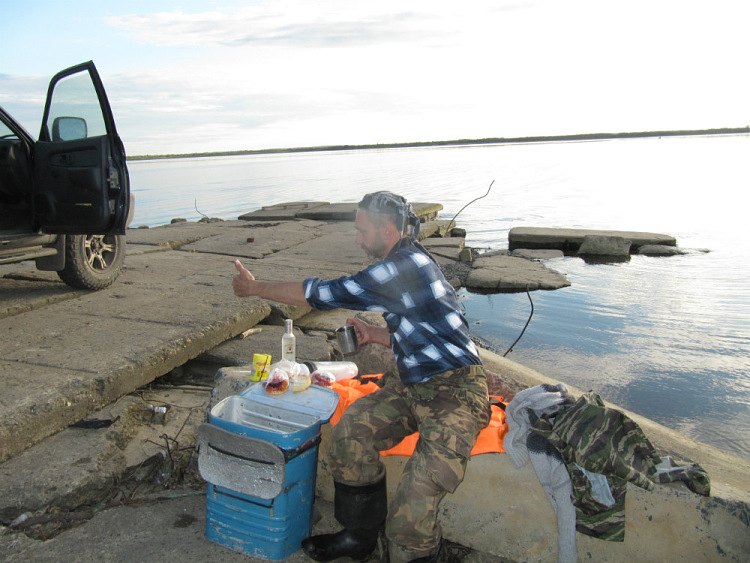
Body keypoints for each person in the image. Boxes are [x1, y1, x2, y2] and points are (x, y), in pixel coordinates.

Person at [232, 191, 490, 563]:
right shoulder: (409, 258)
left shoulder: (399, 266)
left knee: (412, 511)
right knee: (349, 435)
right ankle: (359, 537)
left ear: (387, 229)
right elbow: (433, 325)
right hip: (411, 382)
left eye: (361, 230)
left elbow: (323, 294)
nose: (357, 238)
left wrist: (254, 288)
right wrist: (380, 335)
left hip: (455, 390)